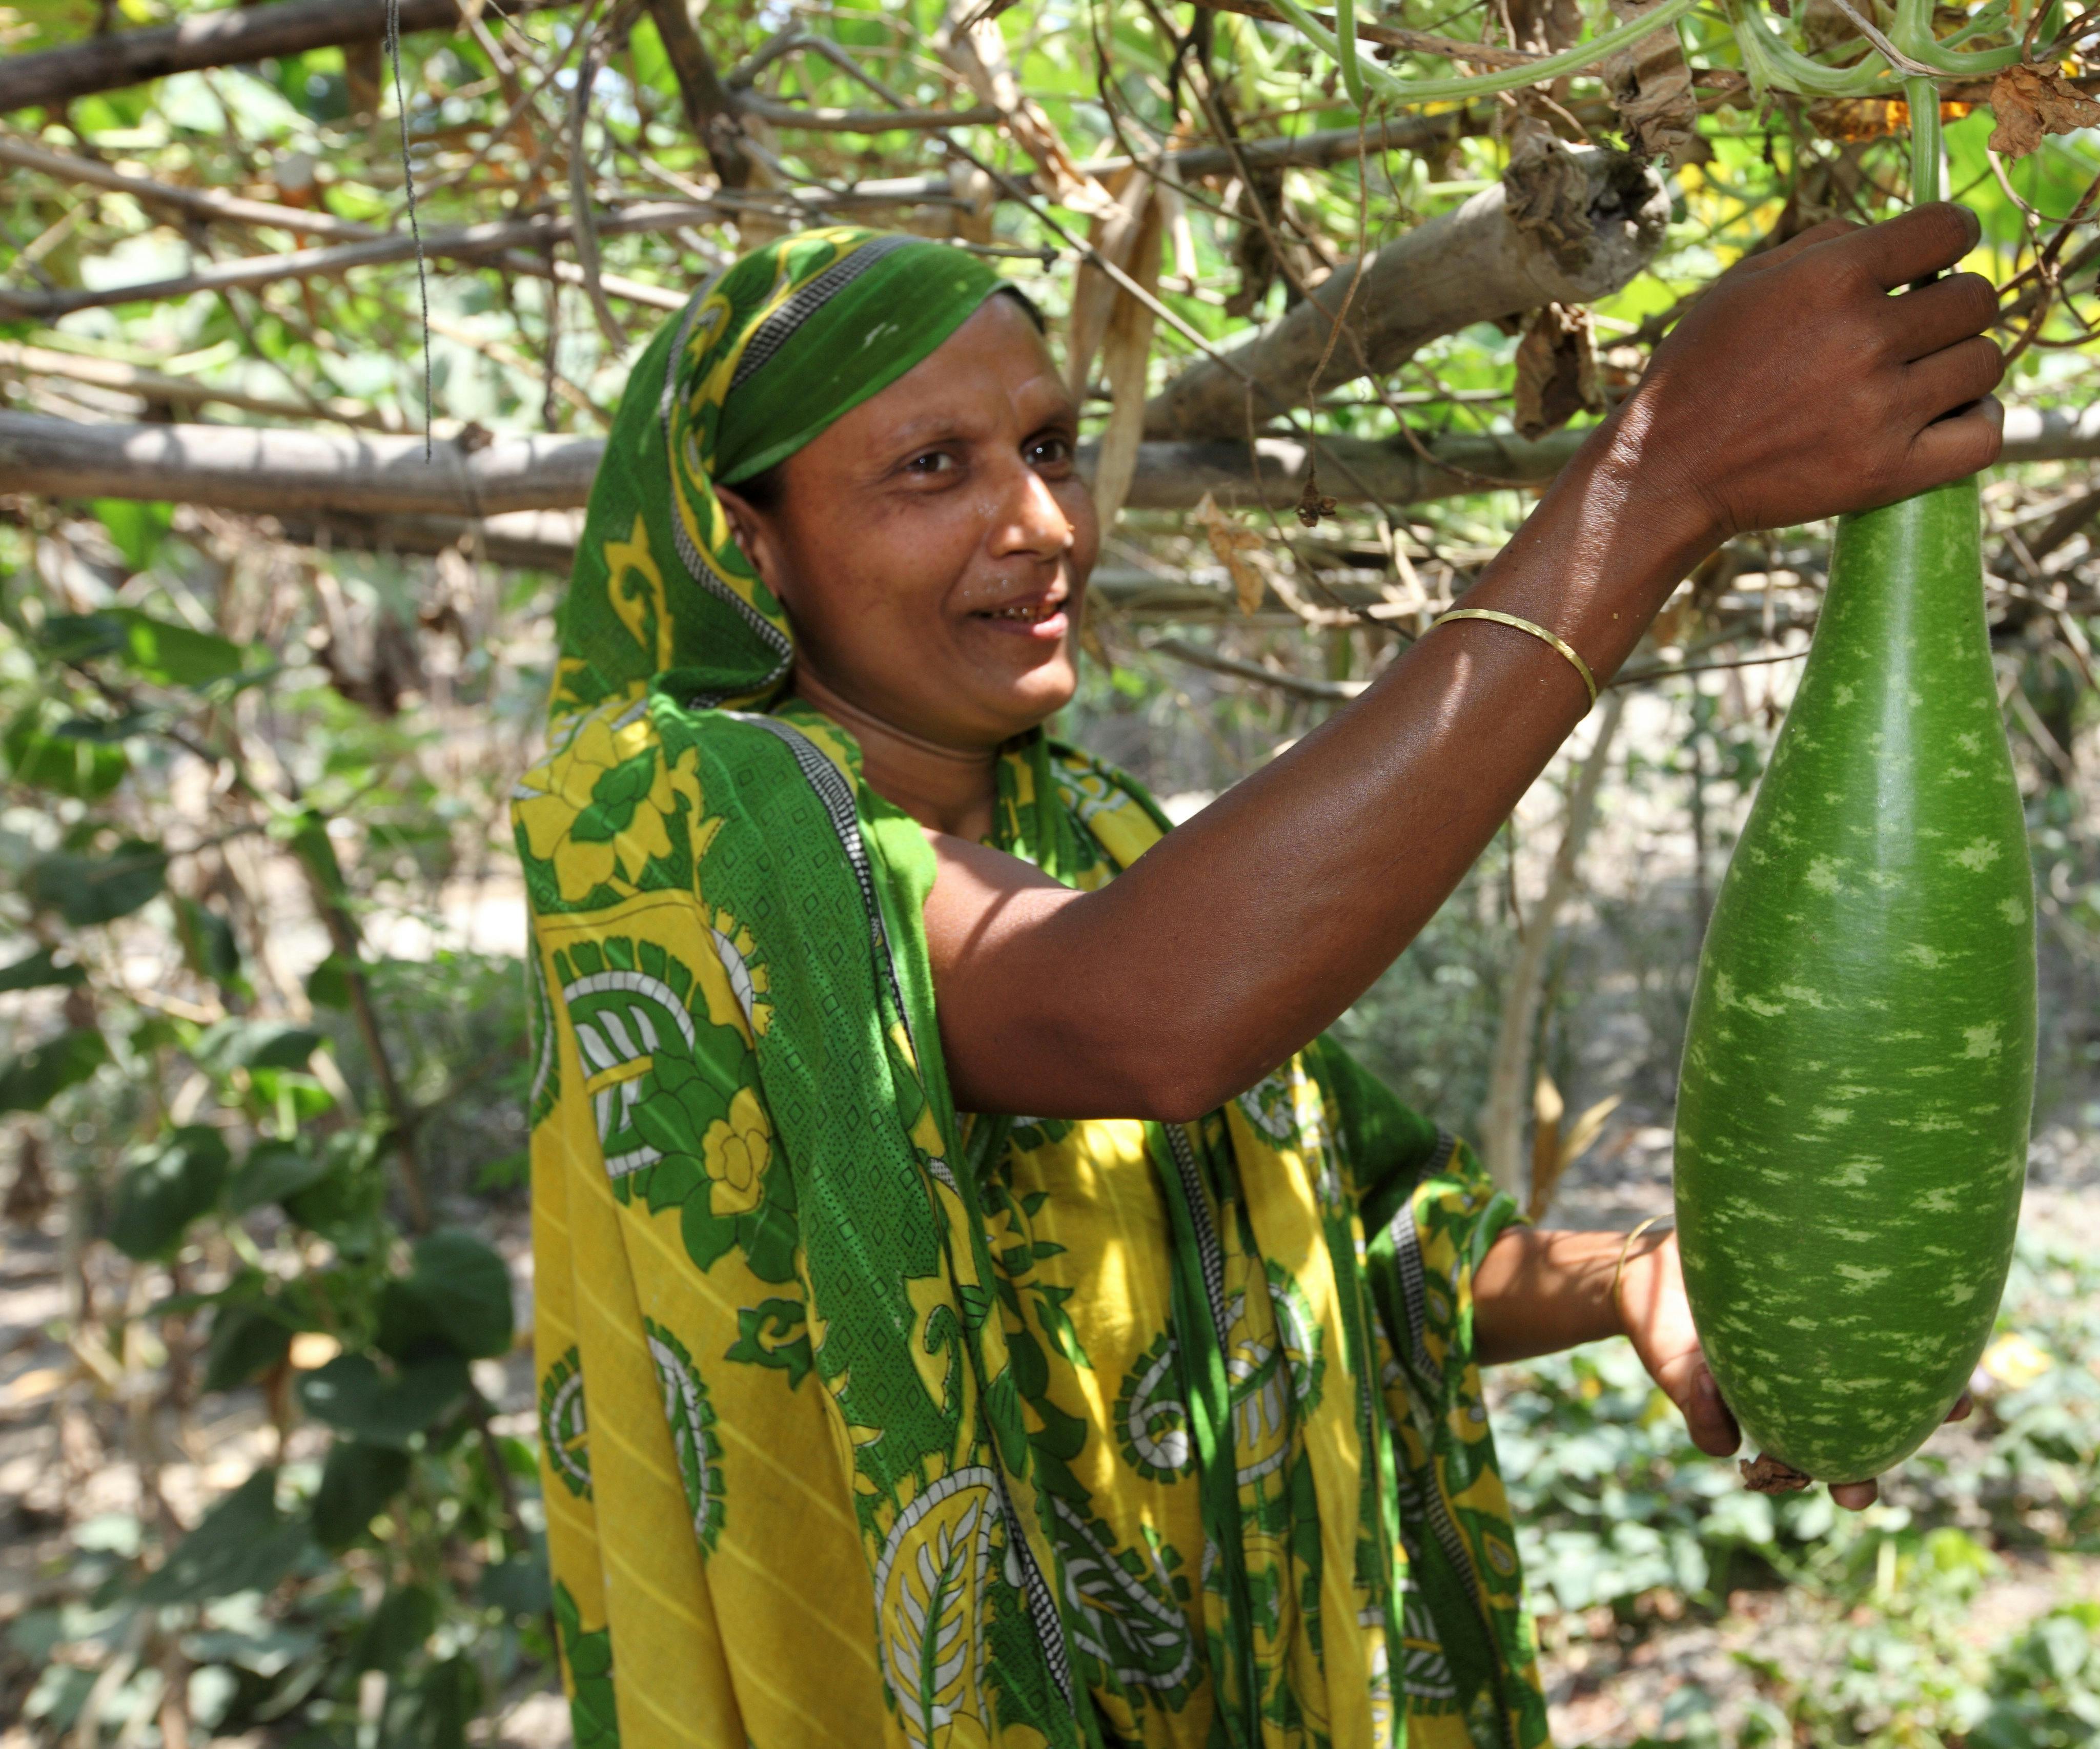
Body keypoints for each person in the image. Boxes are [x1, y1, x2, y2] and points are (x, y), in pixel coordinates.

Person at [517, 213, 2001, 1749]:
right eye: (930, 467)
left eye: (1048, 444)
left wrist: (1621, 1272)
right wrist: (1660, 477)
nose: (1043, 522)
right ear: (743, 543)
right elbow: (1141, 1022)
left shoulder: (1092, 835)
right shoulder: (669, 817)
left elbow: (1364, 1247)